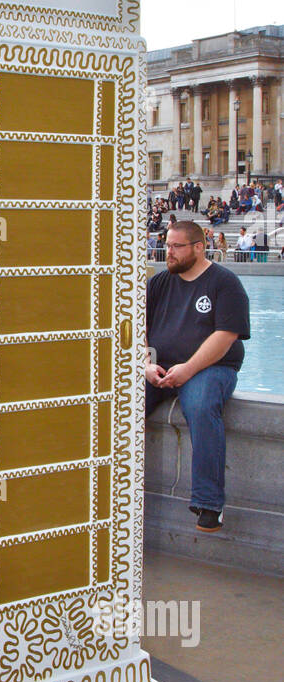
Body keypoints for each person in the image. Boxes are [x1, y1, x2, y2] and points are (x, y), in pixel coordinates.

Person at [145, 220, 250, 533]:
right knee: (121, 401)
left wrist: (188, 369)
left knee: (202, 405)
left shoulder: (225, 283)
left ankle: (209, 503)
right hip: (160, 366)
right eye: (167, 245)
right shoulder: (159, 282)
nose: (169, 253)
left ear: (199, 247)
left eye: (177, 247)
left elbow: (226, 336)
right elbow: (139, 329)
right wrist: (145, 365)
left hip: (210, 368)